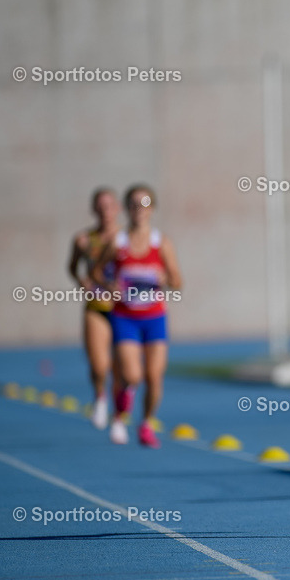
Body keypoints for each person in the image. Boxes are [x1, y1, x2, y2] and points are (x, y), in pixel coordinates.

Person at [94, 185, 182, 448]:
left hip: (154, 317)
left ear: (152, 209)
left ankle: (145, 423)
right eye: (134, 204)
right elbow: (97, 272)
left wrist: (166, 278)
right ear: (128, 208)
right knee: (133, 375)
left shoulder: (161, 243)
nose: (139, 210)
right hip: (125, 317)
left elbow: (178, 281)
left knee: (155, 378)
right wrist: (108, 286)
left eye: (144, 204)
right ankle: (120, 412)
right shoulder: (118, 242)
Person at [67, 187, 122, 429]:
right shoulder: (84, 240)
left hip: (124, 309)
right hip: (97, 306)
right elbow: (72, 267)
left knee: (123, 367)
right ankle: (100, 397)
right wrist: (82, 281)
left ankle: (120, 414)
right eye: (100, 206)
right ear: (93, 209)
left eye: (109, 206)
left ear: (118, 209)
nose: (105, 211)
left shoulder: (126, 238)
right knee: (99, 364)